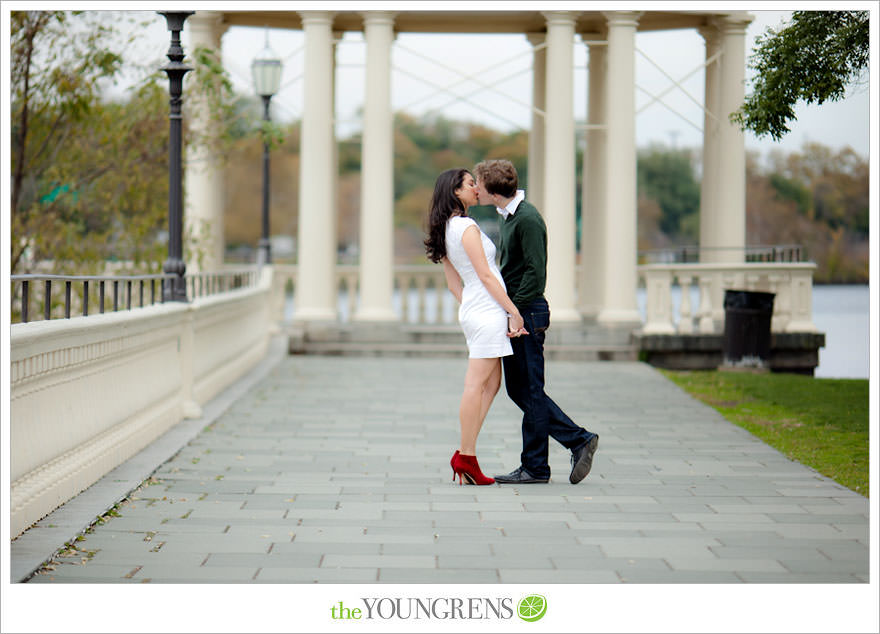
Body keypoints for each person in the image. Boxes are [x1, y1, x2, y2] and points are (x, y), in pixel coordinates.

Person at [473, 159, 599, 484]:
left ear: (492, 188)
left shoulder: (527, 219)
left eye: (478, 183)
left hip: (527, 312)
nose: (475, 188)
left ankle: (547, 460)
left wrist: (514, 311)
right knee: (522, 390)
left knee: (528, 389)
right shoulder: (510, 217)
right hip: (520, 311)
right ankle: (564, 448)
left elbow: (535, 273)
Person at [424, 168, 527, 486]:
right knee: (476, 384)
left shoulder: (446, 228)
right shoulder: (466, 227)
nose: (476, 189)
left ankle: (466, 455)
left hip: (477, 309)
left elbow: (453, 278)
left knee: (492, 384)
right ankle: (466, 456)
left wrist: (468, 304)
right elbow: (484, 275)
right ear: (455, 192)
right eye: (470, 184)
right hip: (487, 310)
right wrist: (513, 312)